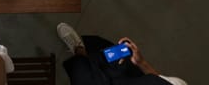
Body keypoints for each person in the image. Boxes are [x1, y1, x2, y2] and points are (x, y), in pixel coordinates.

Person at [56, 22, 187, 85]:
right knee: (112, 56)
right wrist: (141, 63)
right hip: (127, 80)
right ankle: (83, 52)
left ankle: (79, 52)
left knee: (82, 73)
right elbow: (160, 79)